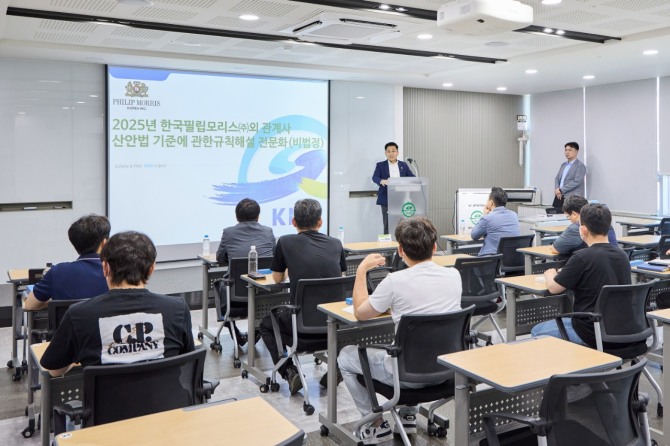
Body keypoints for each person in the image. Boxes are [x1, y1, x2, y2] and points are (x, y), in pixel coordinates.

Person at [337, 217, 462, 444]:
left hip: (407, 377)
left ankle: (374, 424)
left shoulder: (394, 281)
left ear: (401, 250)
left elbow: (360, 312)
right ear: (435, 247)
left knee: (345, 356)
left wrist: (361, 271)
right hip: (446, 370)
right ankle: (408, 415)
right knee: (414, 344)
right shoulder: (455, 275)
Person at [40, 231, 195, 376]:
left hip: (106, 398)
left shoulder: (79, 314)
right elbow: (187, 362)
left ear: (105, 268)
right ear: (151, 269)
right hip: (166, 397)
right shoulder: (177, 309)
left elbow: (54, 370)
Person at [259, 198, 346, 394]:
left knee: (266, 324)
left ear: (293, 222)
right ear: (320, 222)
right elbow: (339, 277)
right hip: (334, 327)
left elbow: (277, 278)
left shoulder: (285, 242)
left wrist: (290, 265)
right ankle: (337, 367)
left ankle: (289, 371)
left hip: (301, 329)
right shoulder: (336, 243)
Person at [531, 204, 631, 347]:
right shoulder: (623, 256)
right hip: (623, 328)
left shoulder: (581, 257)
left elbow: (553, 288)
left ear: (583, 230)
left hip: (591, 331)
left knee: (537, 331)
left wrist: (550, 273)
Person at [215, 198, 275, 346]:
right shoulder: (268, 232)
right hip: (265, 298)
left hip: (235, 300)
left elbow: (220, 259)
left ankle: (236, 335)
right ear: (258, 217)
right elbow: (274, 258)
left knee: (219, 286)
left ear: (236, 217)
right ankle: (256, 332)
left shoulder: (228, 233)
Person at [24, 214, 110, 311]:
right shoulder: (117, 272)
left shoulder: (57, 272)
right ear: (104, 243)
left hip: (69, 321)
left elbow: (29, 305)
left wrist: (53, 303)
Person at [550, 195, 617, 257]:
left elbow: (555, 249)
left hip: (591, 263)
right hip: (613, 263)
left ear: (574, 214)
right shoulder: (604, 222)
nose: (569, 219)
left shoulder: (576, 228)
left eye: (568, 216)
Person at [372, 142, 415, 235]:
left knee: (403, 224)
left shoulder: (403, 165)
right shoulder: (380, 165)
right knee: (387, 224)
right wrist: (382, 181)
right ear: (385, 153)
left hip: (402, 198)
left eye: (393, 151)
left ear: (397, 153)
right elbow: (375, 177)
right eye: (388, 151)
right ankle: (388, 244)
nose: (391, 153)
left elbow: (412, 177)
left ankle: (401, 242)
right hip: (387, 198)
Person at [470, 187, 520, 256]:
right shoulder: (514, 215)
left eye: (487, 200)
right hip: (511, 257)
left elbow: (474, 235)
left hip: (491, 259)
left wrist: (484, 215)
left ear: (491, 202)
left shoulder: (487, 218)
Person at [553, 142, 586, 213]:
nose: (567, 152)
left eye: (570, 150)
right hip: (559, 196)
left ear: (576, 151)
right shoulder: (563, 165)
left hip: (572, 198)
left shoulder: (580, 166)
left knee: (569, 218)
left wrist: (561, 190)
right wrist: (557, 190)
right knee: (556, 217)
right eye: (566, 150)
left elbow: (576, 182)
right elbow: (557, 178)